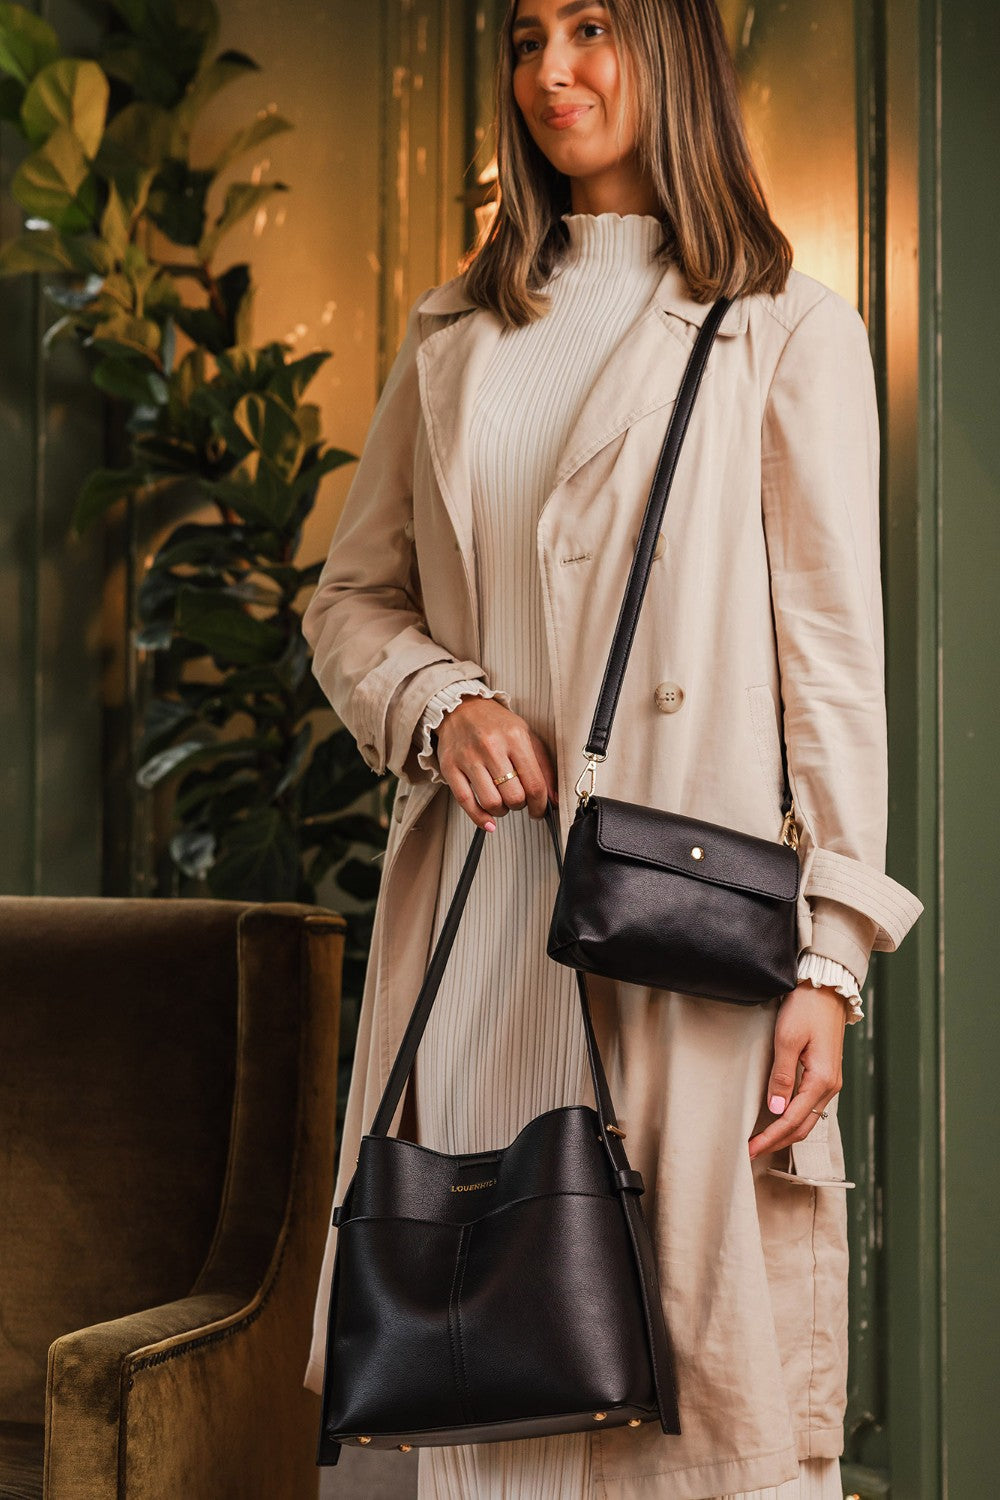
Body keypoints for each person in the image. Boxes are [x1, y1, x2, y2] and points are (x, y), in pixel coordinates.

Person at [301, 0, 924, 1496]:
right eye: (526, 36)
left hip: (681, 926)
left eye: (594, 26)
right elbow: (352, 599)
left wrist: (830, 960)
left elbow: (831, 666)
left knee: (691, 1403)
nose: (552, 71)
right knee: (496, 1383)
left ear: (674, 51)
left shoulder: (786, 325)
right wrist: (444, 700)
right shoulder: (455, 332)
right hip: (484, 917)